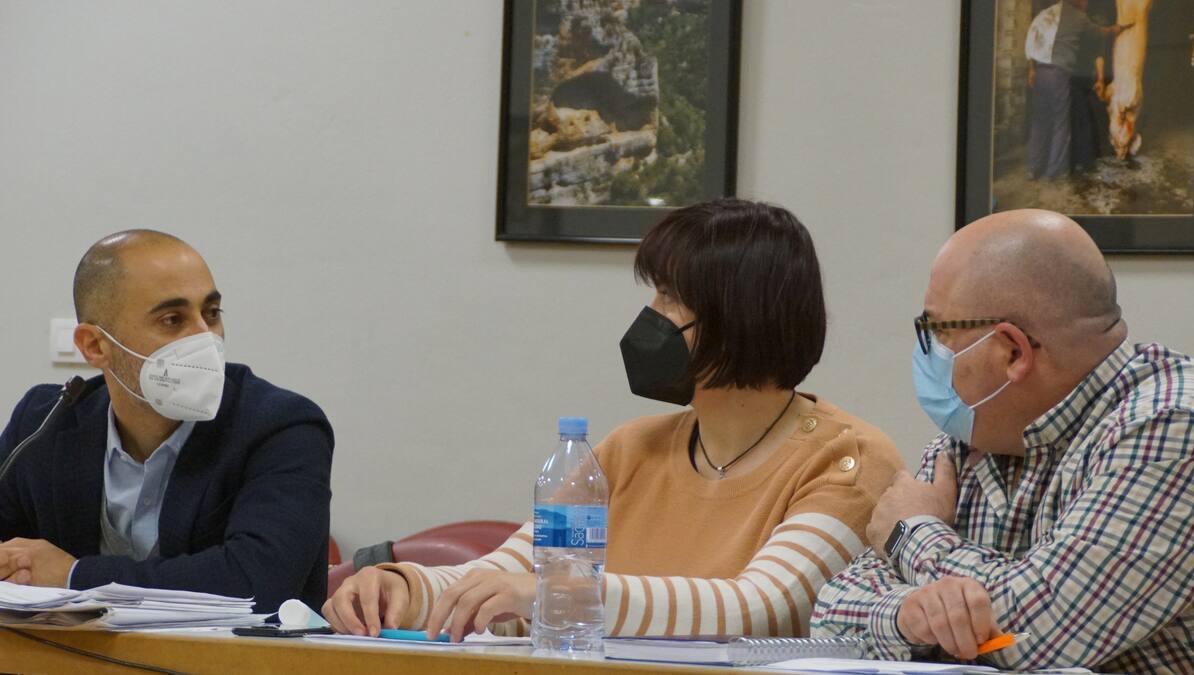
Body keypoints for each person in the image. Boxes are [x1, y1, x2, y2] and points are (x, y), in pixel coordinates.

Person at [324, 199, 904, 640]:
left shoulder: (846, 458)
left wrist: (559, 595)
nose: (650, 315)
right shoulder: (628, 450)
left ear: (740, 317)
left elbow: (761, 607)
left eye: (670, 298)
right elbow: (512, 574)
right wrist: (405, 588)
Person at [810, 209, 1194, 672]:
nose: (927, 350)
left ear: (1013, 351)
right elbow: (830, 619)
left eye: (937, 330)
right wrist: (906, 616)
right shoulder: (968, 439)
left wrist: (910, 532)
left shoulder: (1175, 425)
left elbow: (1038, 633)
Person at [0, 230, 334, 613]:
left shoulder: (283, 427)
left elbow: (258, 583)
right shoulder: (44, 422)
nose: (205, 338)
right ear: (95, 346)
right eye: (172, 320)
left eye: (211, 313)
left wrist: (74, 575)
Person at [1025, 1, 1126, 179]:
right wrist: (1117, 29)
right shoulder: (1078, 17)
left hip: (1041, 73)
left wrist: (1032, 69)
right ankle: (1055, 172)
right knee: (1061, 123)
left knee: (1040, 121)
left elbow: (1031, 39)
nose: (1087, 3)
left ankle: (1033, 169)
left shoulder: (1046, 13)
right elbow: (1101, 32)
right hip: (1058, 73)